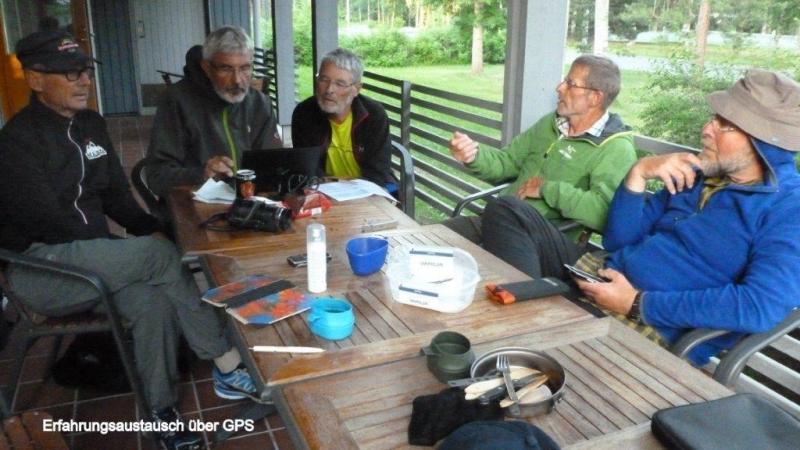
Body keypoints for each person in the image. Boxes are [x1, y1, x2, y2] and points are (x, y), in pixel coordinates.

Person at [0, 30, 260, 450]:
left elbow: (117, 197)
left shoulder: (90, 124)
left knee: (153, 301)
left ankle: (161, 412)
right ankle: (227, 362)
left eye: (85, 71)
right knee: (159, 256)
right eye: (69, 74)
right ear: (34, 79)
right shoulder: (17, 142)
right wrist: (135, 252)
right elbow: (49, 223)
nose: (84, 81)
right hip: (41, 267)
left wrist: (148, 228)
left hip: (92, 258)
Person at [575, 69, 800, 365]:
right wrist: (638, 173)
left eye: (725, 125)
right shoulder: (695, 176)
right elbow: (618, 241)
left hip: (647, 331)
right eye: (713, 118)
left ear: (762, 143)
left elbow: (759, 306)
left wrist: (638, 304)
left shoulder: (787, 208)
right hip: (600, 277)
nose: (706, 129)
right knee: (517, 216)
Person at [445, 55, 637, 279]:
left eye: (570, 83)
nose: (559, 88)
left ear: (595, 97)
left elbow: (604, 214)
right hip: (499, 220)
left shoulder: (615, 149)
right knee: (428, 242)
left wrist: (548, 189)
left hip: (542, 241)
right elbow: (508, 162)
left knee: (489, 277)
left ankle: (523, 297)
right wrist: (474, 155)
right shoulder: (551, 123)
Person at [145, 25, 280, 197]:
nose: (237, 80)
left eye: (245, 68)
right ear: (207, 67)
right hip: (194, 205)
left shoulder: (259, 103)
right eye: (226, 68)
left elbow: (274, 165)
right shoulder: (177, 101)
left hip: (250, 203)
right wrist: (201, 174)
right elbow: (157, 177)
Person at [291, 48, 395, 187]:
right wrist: (335, 183)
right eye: (324, 80)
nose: (329, 90)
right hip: (323, 189)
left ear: (356, 89)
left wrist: (345, 184)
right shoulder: (304, 113)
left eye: (340, 84)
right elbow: (306, 169)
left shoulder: (374, 115)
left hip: (369, 188)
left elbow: (378, 173)